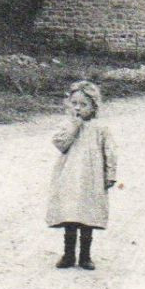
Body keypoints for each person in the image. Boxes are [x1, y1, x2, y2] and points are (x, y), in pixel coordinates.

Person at [47, 80, 118, 270]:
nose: (78, 108)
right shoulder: (67, 124)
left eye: (83, 104)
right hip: (70, 177)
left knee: (87, 216)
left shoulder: (100, 128)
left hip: (91, 179)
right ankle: (68, 254)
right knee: (70, 214)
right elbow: (60, 143)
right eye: (74, 103)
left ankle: (85, 256)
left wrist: (110, 173)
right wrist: (74, 126)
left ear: (94, 106)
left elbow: (110, 152)